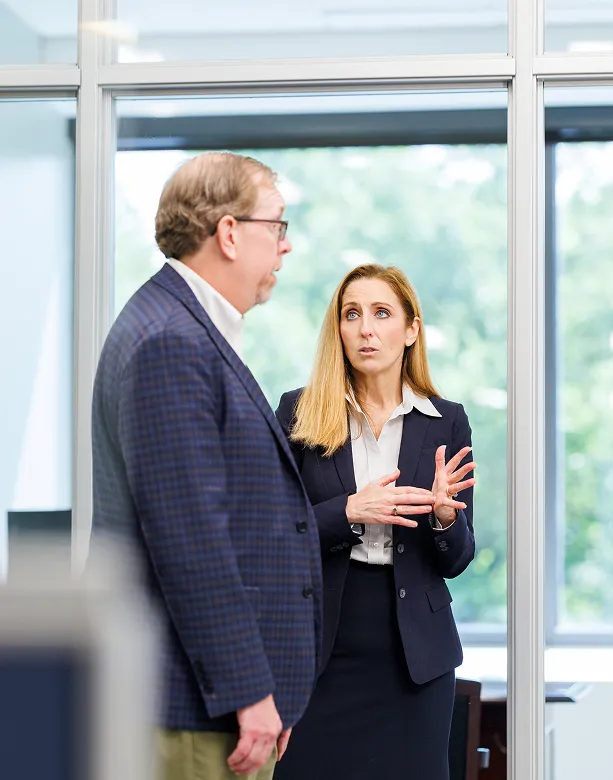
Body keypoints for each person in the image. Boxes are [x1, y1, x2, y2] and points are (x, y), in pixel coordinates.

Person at [91, 152, 322, 780]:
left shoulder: (186, 327)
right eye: (276, 227)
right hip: (197, 707)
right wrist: (249, 691)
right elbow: (189, 538)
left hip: (210, 702)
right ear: (227, 232)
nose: (287, 245)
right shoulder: (172, 340)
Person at [274, 263, 476, 780]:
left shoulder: (446, 420)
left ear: (410, 330)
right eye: (352, 314)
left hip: (416, 656)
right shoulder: (298, 412)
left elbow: (457, 560)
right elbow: (272, 536)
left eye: (381, 313)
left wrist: (445, 520)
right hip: (322, 650)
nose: (365, 328)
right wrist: (347, 512)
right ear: (337, 329)